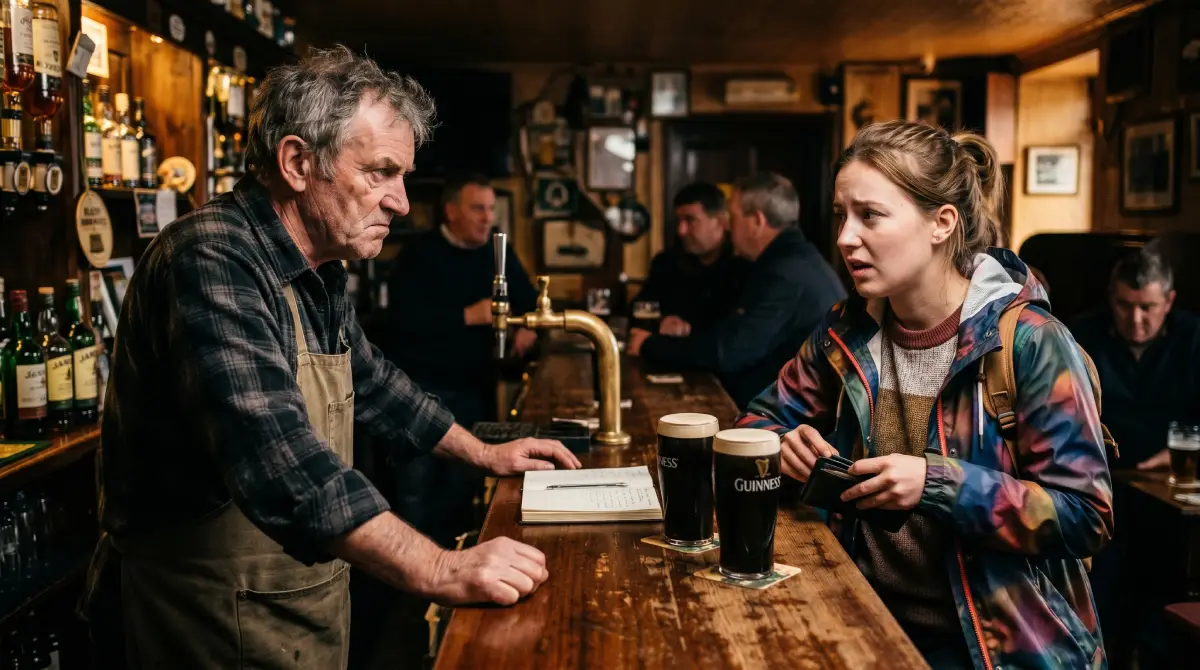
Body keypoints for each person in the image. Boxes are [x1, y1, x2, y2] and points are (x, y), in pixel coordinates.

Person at [82, 46, 580, 668]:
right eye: (381, 172)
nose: (400, 201)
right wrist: (440, 567)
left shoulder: (318, 265)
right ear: (297, 162)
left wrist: (481, 451)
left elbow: (371, 380)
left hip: (289, 604)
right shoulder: (210, 259)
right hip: (203, 616)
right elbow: (277, 458)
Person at [736, 121, 1112, 669]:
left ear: (942, 223)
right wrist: (783, 442)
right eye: (842, 214)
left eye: (871, 215)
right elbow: (755, 423)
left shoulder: (1030, 342)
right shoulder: (847, 330)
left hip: (999, 649)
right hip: (866, 617)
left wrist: (938, 484)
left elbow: (1086, 516)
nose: (844, 237)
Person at [383, 173, 540, 546]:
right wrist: (467, 316)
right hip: (421, 391)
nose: (488, 217)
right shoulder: (420, 254)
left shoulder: (495, 253)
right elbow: (401, 323)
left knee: (463, 489)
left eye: (490, 209)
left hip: (474, 389)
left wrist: (529, 328)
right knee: (414, 496)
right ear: (451, 211)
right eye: (477, 209)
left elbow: (530, 300)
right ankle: (409, 594)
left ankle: (453, 575)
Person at [628, 172, 846, 408]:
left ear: (757, 222)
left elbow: (728, 353)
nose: (728, 229)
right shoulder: (789, 261)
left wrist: (650, 345)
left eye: (732, 218)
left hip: (794, 424)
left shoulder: (785, 273)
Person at [1072, 243, 1200, 469]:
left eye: (1147, 307)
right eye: (1124, 305)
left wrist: (1187, 455)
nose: (1135, 319)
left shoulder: (1193, 336)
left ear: (1169, 301)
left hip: (1171, 471)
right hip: (1096, 471)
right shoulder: (1081, 335)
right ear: (1111, 297)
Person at [633, 182, 746, 336]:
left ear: (720, 221)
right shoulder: (667, 262)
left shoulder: (742, 266)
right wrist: (661, 320)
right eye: (679, 221)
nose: (681, 230)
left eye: (690, 220)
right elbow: (638, 308)